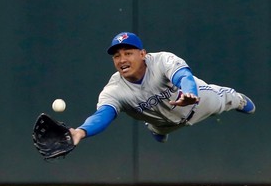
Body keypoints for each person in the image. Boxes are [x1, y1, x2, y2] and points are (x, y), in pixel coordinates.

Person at [69, 32, 256, 144]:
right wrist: (81, 131)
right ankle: (156, 129)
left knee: (225, 100)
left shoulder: (162, 60)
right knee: (159, 129)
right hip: (163, 123)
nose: (122, 59)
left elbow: (184, 76)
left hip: (197, 104)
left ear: (143, 54)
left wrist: (189, 91)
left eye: (128, 53)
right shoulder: (114, 89)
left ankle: (237, 99)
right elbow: (103, 115)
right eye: (117, 56)